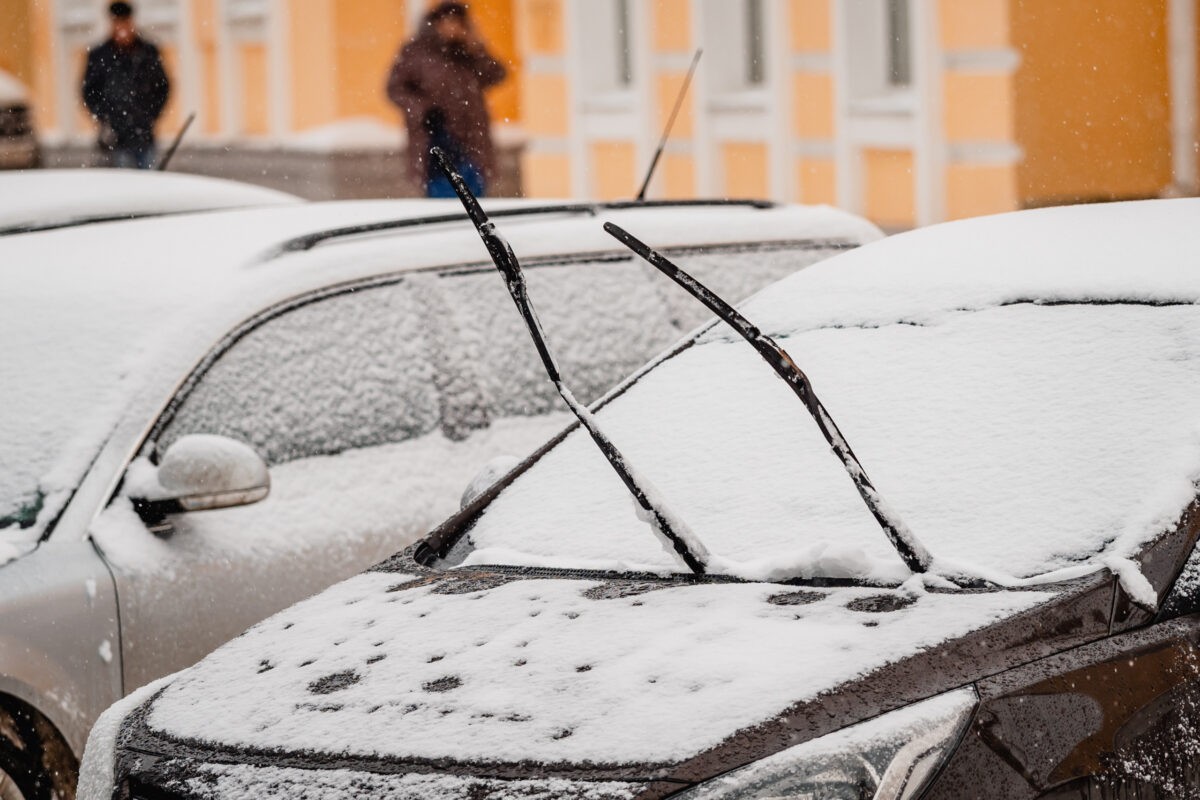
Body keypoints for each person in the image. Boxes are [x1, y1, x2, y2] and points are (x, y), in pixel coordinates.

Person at [386, 2, 506, 197]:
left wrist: (476, 48)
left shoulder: (468, 52)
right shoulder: (417, 51)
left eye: (458, 23)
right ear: (435, 23)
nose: (452, 28)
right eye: (448, 22)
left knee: (475, 198)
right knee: (444, 200)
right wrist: (423, 109)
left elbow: (497, 74)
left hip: (472, 140)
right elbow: (395, 89)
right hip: (436, 137)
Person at [82, 1, 170, 170]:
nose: (122, 29)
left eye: (125, 23)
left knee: (148, 185)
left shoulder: (148, 52)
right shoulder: (100, 55)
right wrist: (104, 117)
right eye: (118, 23)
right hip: (116, 136)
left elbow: (163, 87)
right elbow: (89, 91)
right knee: (122, 185)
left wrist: (151, 115)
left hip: (143, 133)